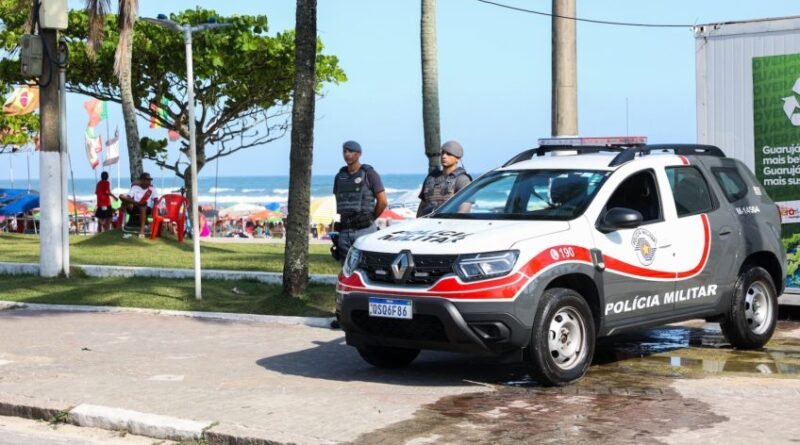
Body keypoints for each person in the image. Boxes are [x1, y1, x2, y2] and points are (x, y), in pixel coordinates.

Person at [333, 140, 387, 263]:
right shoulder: (339, 177)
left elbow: (383, 201)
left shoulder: (370, 174)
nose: (347, 154)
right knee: (346, 269)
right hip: (344, 231)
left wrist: (371, 218)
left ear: (358, 154)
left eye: (350, 151)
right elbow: (338, 200)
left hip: (365, 229)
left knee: (367, 266)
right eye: (344, 151)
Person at [417, 140, 472, 217]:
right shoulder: (431, 178)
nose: (444, 156)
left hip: (448, 223)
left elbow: (465, 205)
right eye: (442, 153)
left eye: (449, 154)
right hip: (428, 223)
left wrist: (454, 223)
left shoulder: (462, 179)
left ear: (458, 158)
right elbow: (423, 204)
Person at [119, 172, 159, 238]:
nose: (149, 181)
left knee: (143, 206)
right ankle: (138, 203)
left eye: (150, 180)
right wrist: (133, 203)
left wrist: (155, 208)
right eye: (147, 180)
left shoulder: (152, 189)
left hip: (147, 208)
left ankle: (142, 230)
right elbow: (128, 197)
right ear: (141, 180)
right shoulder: (135, 187)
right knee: (121, 196)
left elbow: (156, 200)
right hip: (135, 206)